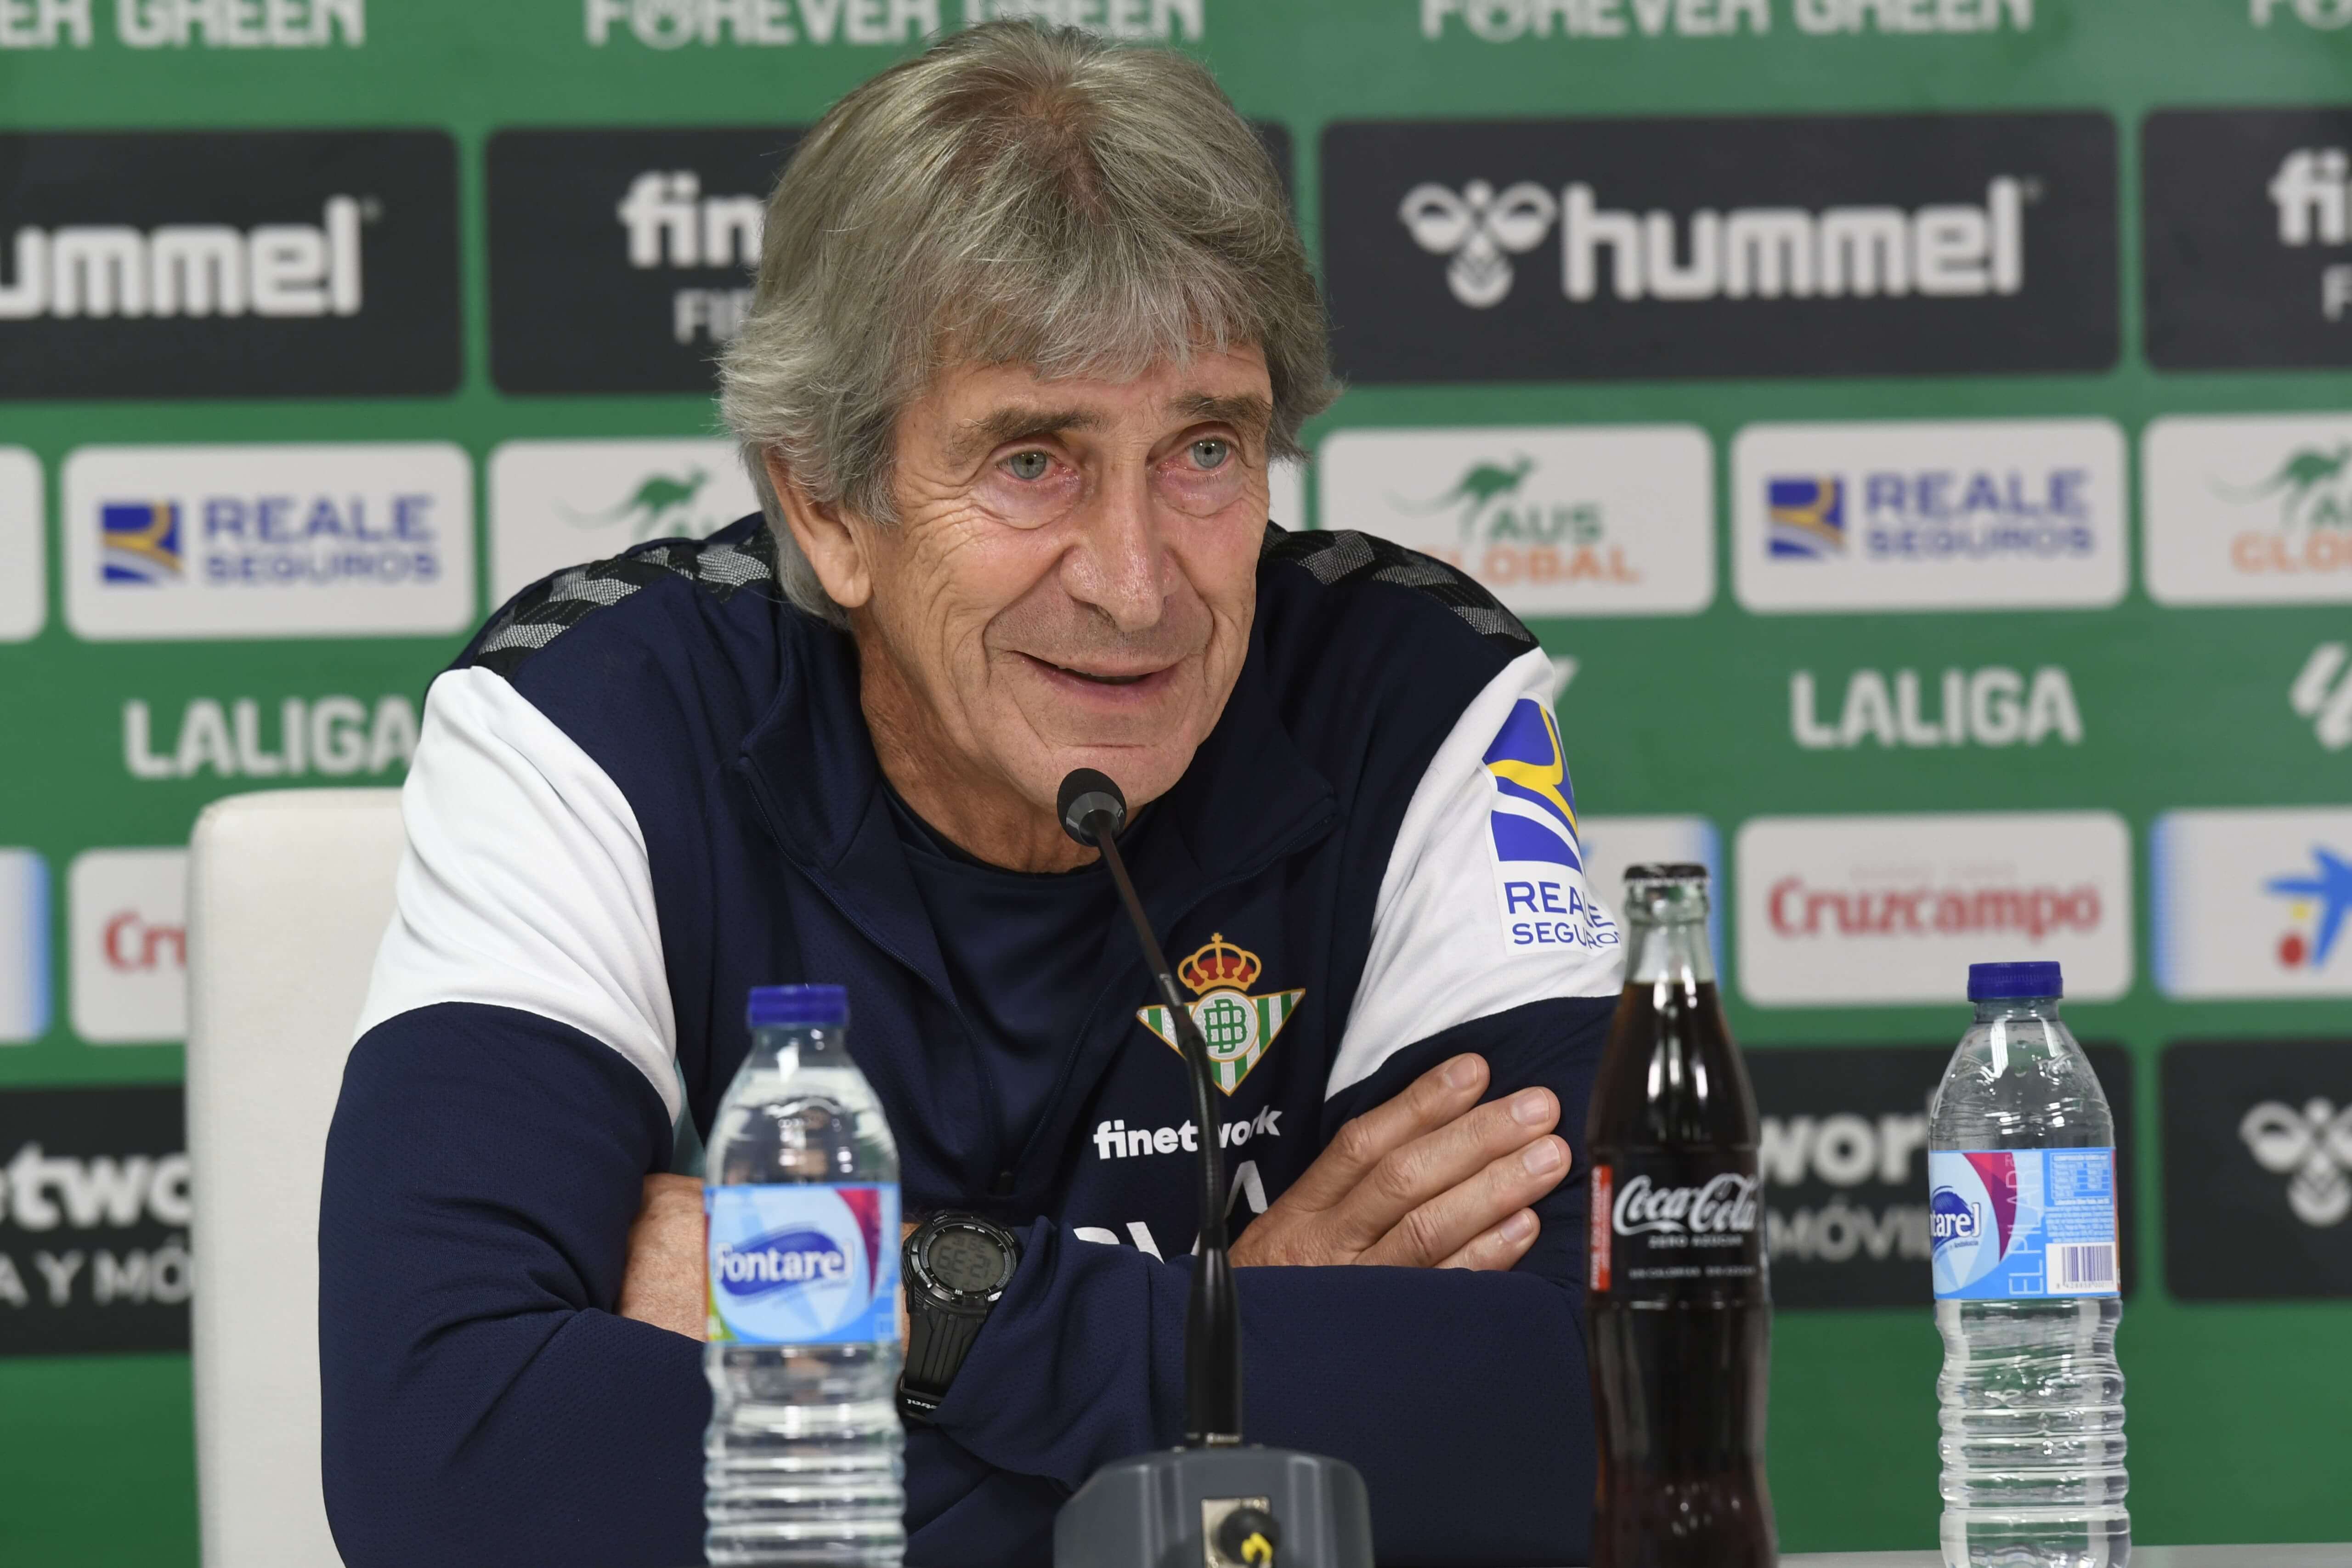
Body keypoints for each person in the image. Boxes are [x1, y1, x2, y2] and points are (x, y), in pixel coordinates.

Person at [318, 21, 1624, 1568]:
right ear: (827, 503)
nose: (1138, 586)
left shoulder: (1410, 698)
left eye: (1207, 448)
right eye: (1032, 461)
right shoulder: (597, 718)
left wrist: (920, 1306)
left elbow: (1600, 1431)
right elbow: (452, 1458)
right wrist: (1242, 1352)